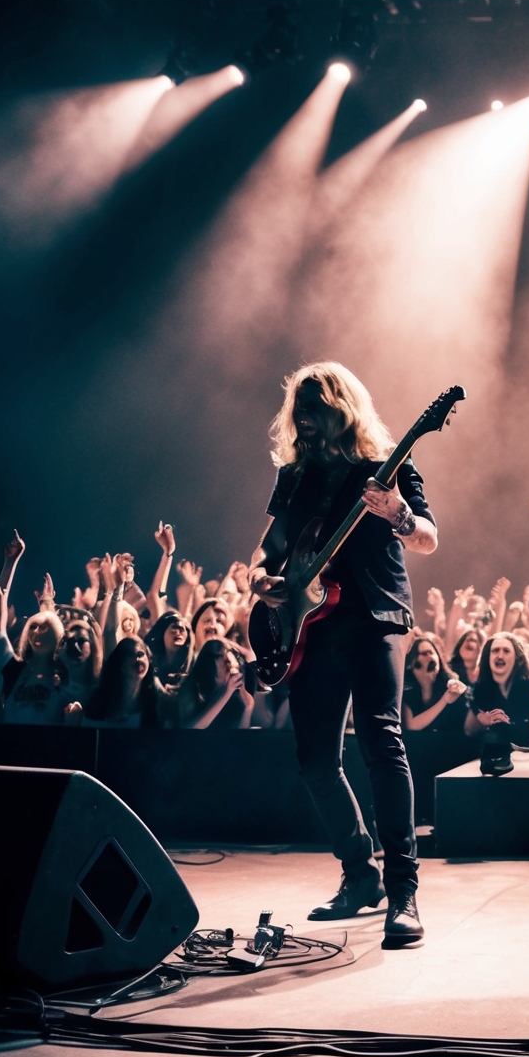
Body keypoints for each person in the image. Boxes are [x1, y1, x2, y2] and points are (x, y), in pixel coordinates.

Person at [249, 362, 438, 947]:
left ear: (341, 407)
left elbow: (429, 537)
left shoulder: (388, 469)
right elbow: (269, 549)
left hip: (378, 615)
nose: (303, 418)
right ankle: (360, 875)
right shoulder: (295, 476)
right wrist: (262, 580)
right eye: (297, 409)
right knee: (314, 761)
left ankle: (403, 893)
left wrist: (398, 514)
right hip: (313, 626)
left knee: (383, 741)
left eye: (314, 405)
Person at [465, 632, 529, 773]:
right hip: (494, 766)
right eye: (495, 651)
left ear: (517, 658)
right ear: (488, 657)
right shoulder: (480, 689)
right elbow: (470, 731)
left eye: (506, 651)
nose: (500, 655)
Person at [82, 635, 165, 727]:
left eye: (140, 654)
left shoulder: (157, 705)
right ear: (119, 663)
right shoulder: (97, 705)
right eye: (130, 655)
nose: (137, 660)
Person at [175, 638, 255, 729]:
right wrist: (226, 694)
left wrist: (248, 707)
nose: (230, 669)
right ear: (210, 662)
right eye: (226, 662)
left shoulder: (234, 694)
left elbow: (240, 738)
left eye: (232, 665)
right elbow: (190, 732)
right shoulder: (191, 686)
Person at [402, 633, 469, 734]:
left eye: (431, 652)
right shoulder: (406, 692)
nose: (429, 657)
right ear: (413, 663)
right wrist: (444, 700)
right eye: (424, 653)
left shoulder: (450, 685)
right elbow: (411, 725)